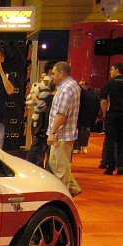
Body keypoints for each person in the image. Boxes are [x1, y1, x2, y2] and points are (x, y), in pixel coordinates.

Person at [47, 61, 82, 196]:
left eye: (54, 73)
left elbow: (61, 115)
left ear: (62, 73)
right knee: (55, 163)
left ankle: (65, 195)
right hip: (65, 134)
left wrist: (53, 133)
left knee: (60, 169)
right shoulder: (71, 85)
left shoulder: (66, 89)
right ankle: (73, 188)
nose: (52, 76)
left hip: (61, 135)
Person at [26, 72, 55, 168]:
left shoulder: (47, 86)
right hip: (40, 121)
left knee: (38, 147)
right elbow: (29, 99)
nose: (43, 80)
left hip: (43, 123)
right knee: (40, 147)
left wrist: (35, 99)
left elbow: (38, 104)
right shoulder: (40, 86)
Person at [99, 62, 123, 175]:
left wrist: (104, 114)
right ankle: (121, 165)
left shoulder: (109, 83)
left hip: (112, 115)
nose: (110, 71)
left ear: (117, 70)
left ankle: (110, 166)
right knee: (121, 141)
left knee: (110, 141)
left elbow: (103, 100)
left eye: (112, 69)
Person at [74, 80, 99, 154]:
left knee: (85, 132)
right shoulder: (78, 95)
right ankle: (77, 147)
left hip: (87, 116)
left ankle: (84, 145)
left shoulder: (92, 95)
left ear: (86, 86)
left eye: (82, 85)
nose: (80, 87)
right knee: (77, 132)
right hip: (79, 116)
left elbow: (95, 106)